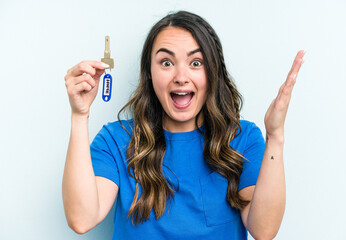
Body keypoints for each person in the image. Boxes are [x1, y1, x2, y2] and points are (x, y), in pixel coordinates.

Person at [62, 11, 305, 240]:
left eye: (196, 63)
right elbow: (81, 219)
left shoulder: (243, 139)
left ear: (212, 73)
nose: (180, 76)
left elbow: (264, 230)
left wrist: (275, 136)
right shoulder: (115, 140)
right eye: (166, 63)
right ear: (149, 74)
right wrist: (79, 115)